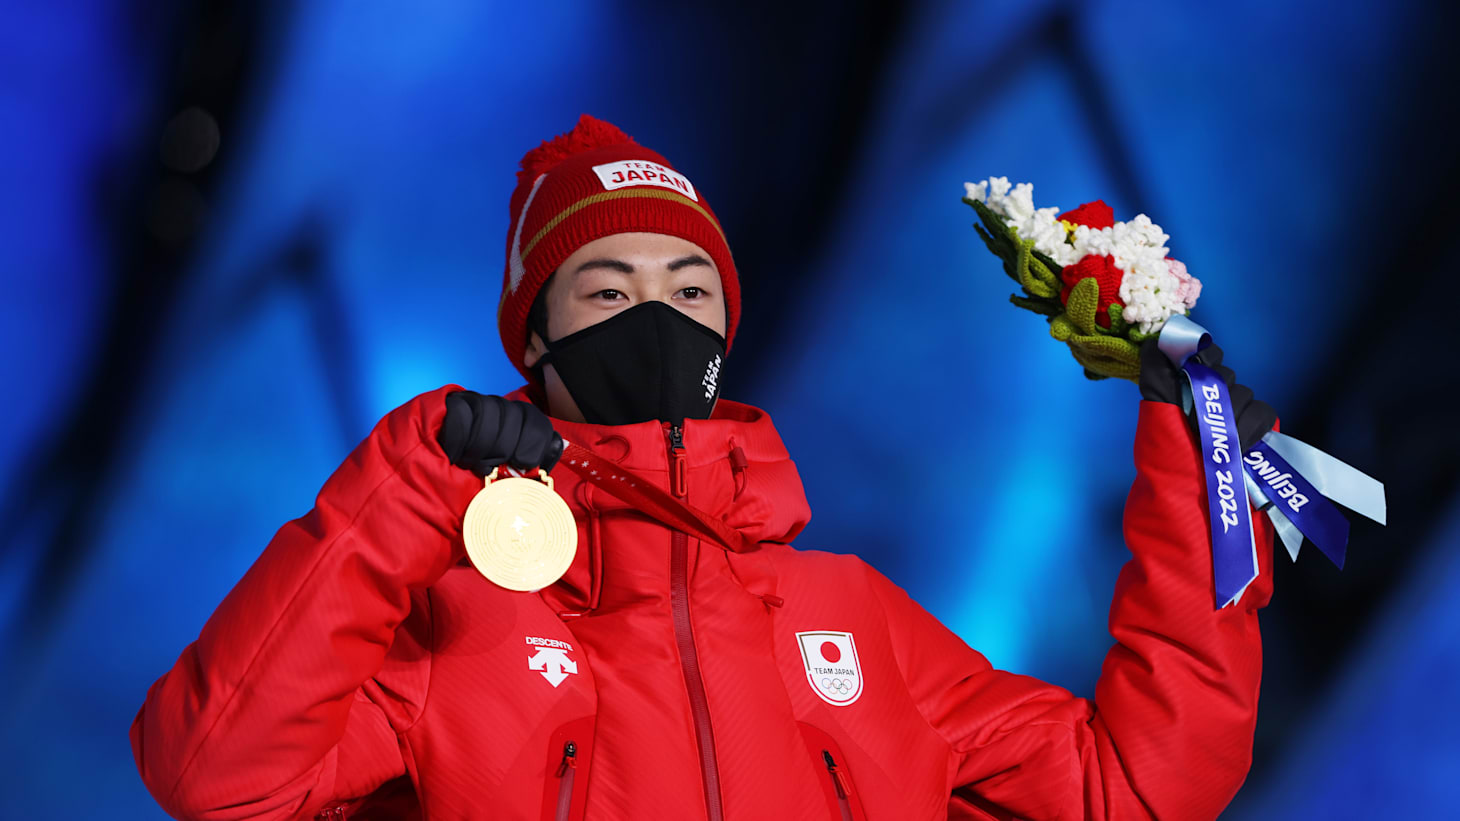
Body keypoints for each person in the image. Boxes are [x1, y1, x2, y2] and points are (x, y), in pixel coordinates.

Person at [130, 113, 1279, 821]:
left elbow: (1139, 786)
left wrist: (1202, 467)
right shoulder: (453, 623)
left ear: (725, 331)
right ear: (533, 337)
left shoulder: (850, 616)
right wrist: (407, 477)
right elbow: (216, 778)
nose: (657, 316)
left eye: (689, 289)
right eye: (607, 288)